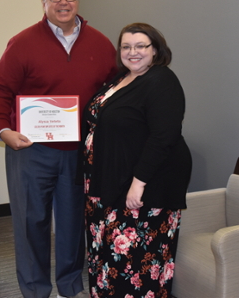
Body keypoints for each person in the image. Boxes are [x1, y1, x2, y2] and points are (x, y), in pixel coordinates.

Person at [0, 0, 118, 298]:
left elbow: (113, 94)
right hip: (31, 150)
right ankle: (34, 291)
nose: (63, 2)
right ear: (44, 1)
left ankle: (70, 288)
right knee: (32, 223)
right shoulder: (22, 43)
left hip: (79, 152)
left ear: (77, 0)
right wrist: (4, 132)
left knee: (74, 225)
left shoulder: (100, 44)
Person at [78, 22, 192, 297]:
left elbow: (163, 137)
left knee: (135, 264)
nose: (133, 52)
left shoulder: (162, 81)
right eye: (127, 46)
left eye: (141, 46)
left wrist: (138, 183)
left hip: (142, 189)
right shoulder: (121, 78)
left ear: (156, 50)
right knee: (104, 257)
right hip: (107, 184)